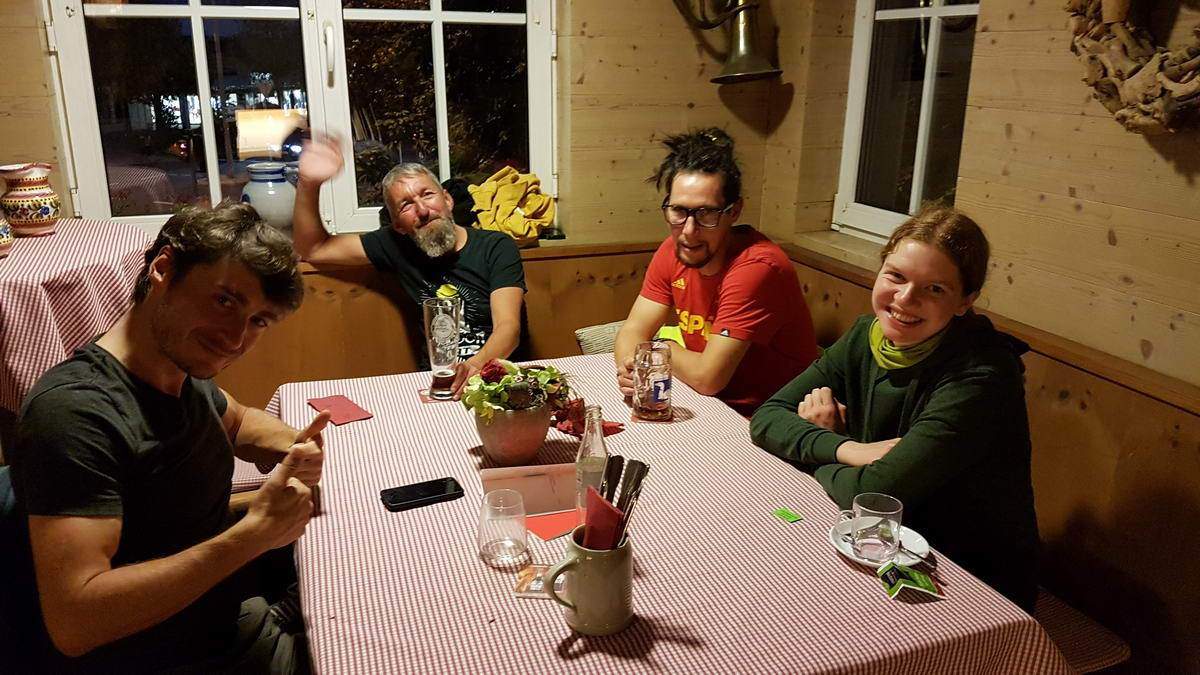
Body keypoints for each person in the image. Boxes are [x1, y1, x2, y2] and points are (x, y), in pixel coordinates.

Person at [7, 202, 327, 672]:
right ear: (163, 268)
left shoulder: (175, 368)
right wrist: (252, 536)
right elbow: (75, 621)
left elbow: (237, 421)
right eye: (225, 301)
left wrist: (290, 443)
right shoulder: (75, 414)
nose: (235, 338)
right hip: (182, 656)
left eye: (258, 320)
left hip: (230, 610)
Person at [749, 206, 1039, 612]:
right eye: (896, 276)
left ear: (965, 301)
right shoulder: (865, 336)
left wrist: (819, 449)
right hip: (877, 542)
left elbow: (875, 495)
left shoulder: (982, 375)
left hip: (966, 573)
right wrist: (848, 449)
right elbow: (766, 418)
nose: (905, 299)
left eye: (934, 289)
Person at [291, 136, 527, 397]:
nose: (423, 210)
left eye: (428, 195)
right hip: (438, 384)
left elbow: (509, 328)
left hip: (500, 382)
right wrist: (309, 184)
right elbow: (313, 248)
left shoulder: (496, 246)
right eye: (406, 205)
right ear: (397, 226)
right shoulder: (395, 245)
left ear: (447, 200)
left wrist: (474, 367)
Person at [613, 128, 819, 416]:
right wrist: (631, 369)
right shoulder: (673, 250)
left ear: (734, 211)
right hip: (711, 403)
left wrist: (660, 348)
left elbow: (707, 378)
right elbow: (633, 330)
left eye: (706, 214)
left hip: (770, 414)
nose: (688, 231)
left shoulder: (757, 268)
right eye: (678, 211)